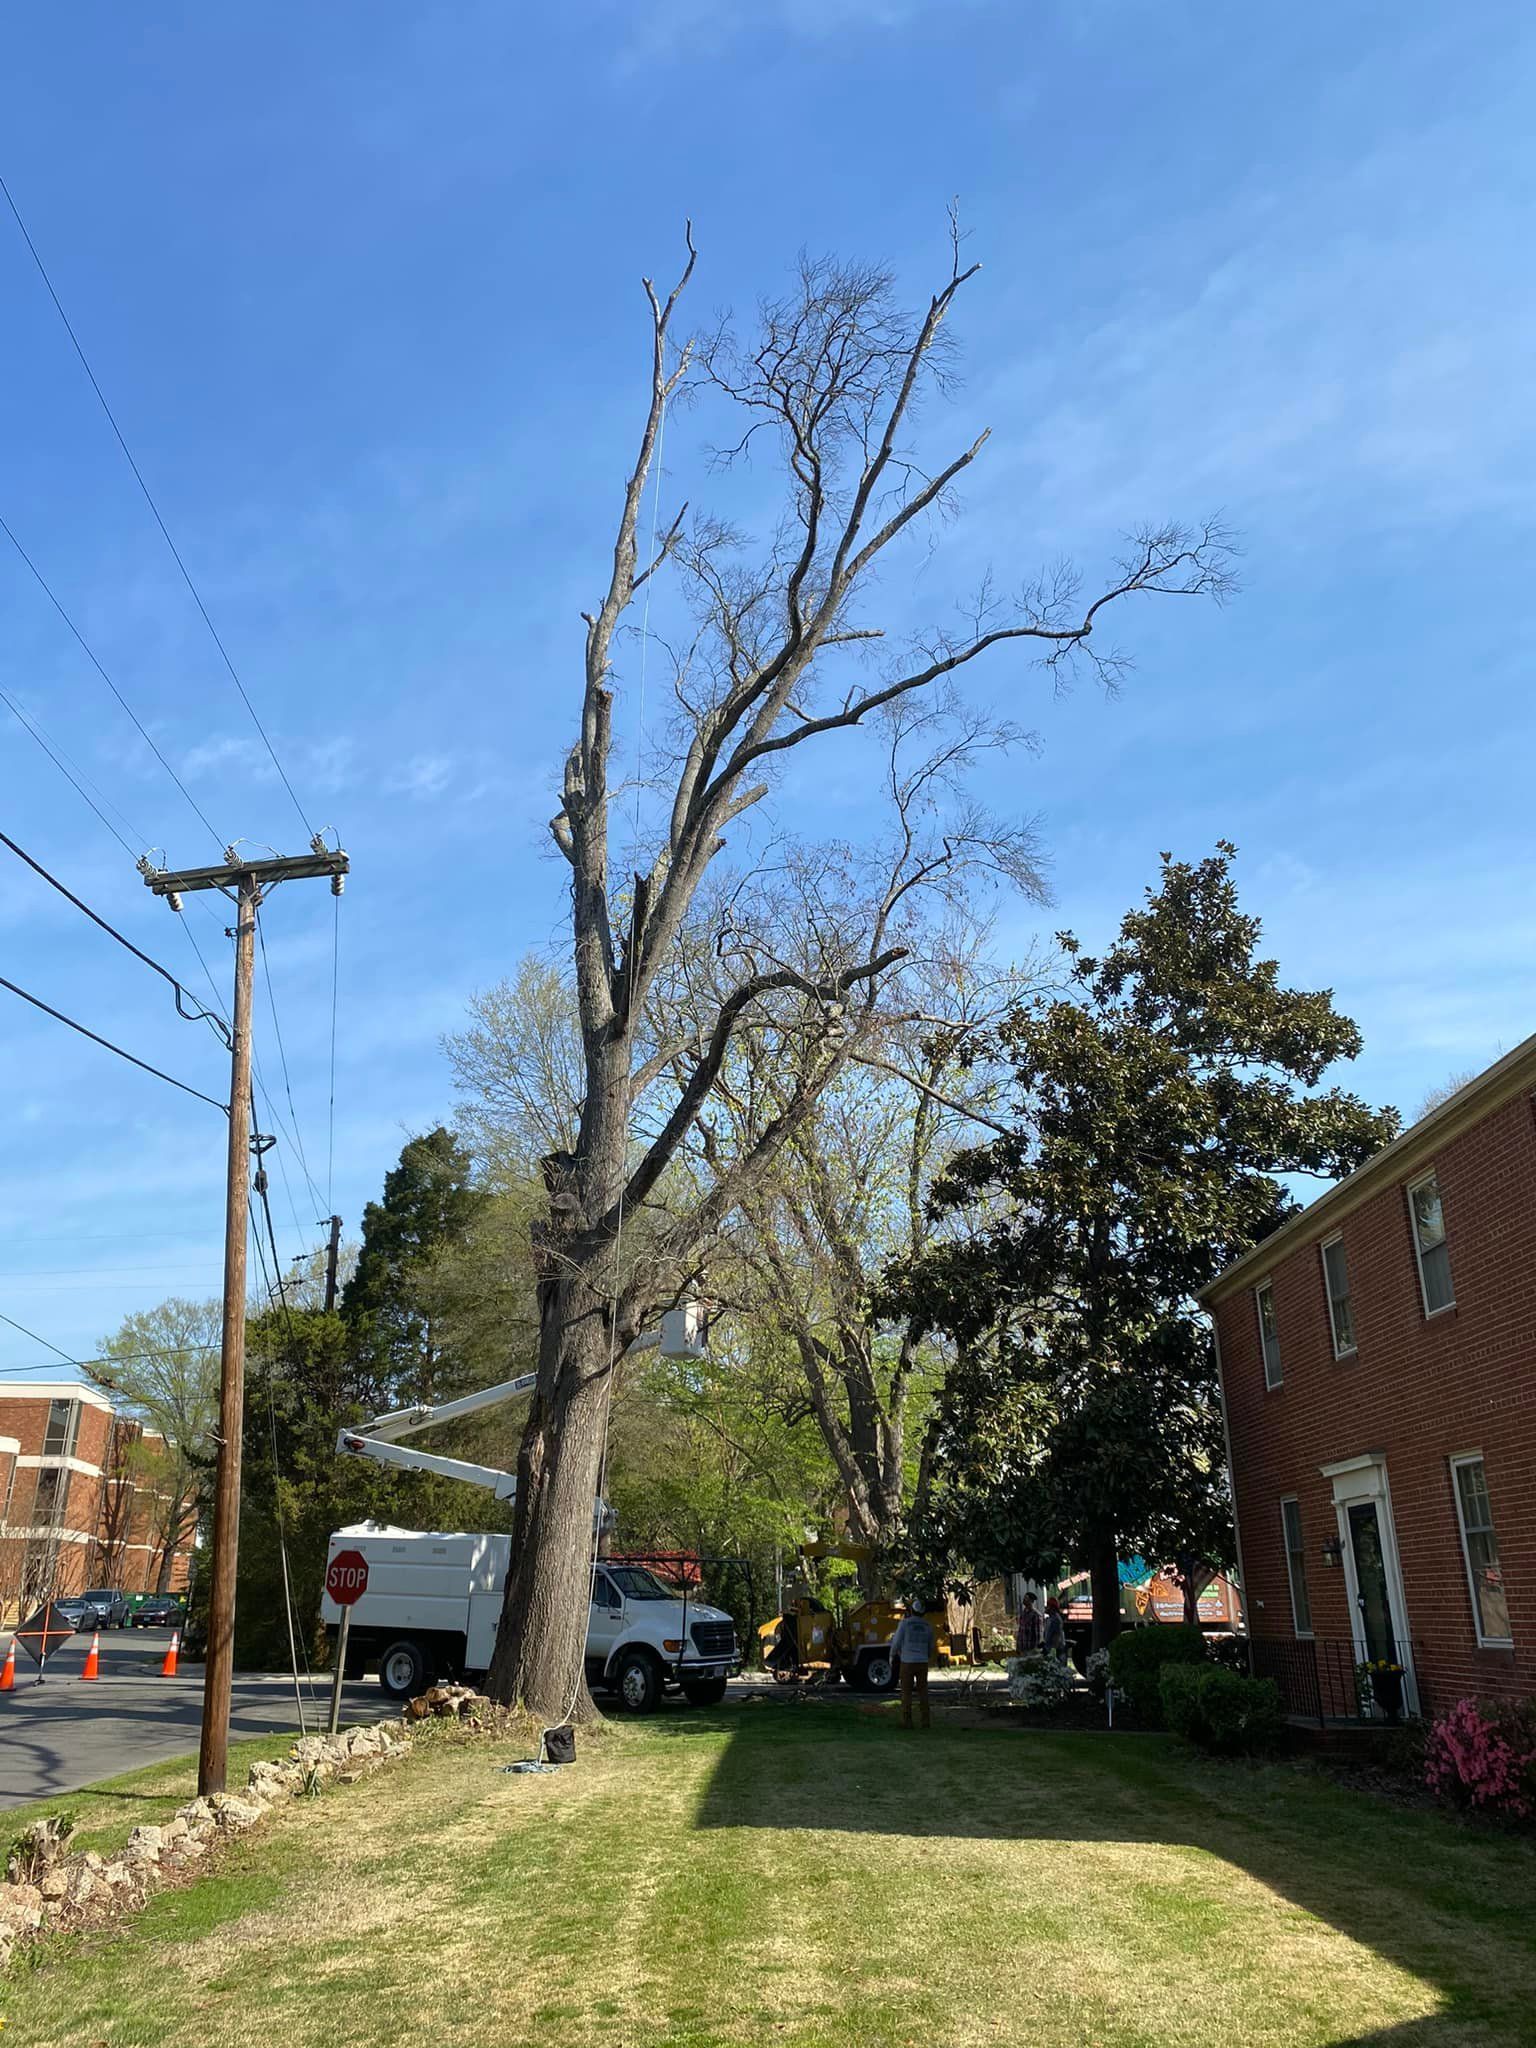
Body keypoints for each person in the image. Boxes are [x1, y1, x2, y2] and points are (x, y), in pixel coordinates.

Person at [890, 1601, 936, 1729]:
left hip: (907, 1662)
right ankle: (925, 1721)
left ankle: (907, 1721)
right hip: (922, 1662)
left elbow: (896, 1642)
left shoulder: (905, 1624)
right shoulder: (928, 1626)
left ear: (911, 1610)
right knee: (923, 1692)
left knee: (906, 1692)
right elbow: (931, 1645)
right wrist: (926, 1656)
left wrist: (892, 1655)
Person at [1014, 1591, 1042, 1656]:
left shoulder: (1036, 1615)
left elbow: (1037, 1635)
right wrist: (1018, 1646)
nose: (1024, 1599)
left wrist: (1035, 1649)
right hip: (1022, 1648)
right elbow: (1020, 1632)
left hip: (1030, 1649)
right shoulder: (1023, 1614)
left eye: (1026, 1598)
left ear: (1031, 1601)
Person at [1041, 1595, 1067, 1661]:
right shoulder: (1050, 1618)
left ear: (1052, 1607)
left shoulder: (1055, 1619)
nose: (1046, 1607)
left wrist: (1047, 1647)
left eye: (1048, 1605)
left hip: (1056, 1649)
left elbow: (1052, 1635)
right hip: (1053, 1648)